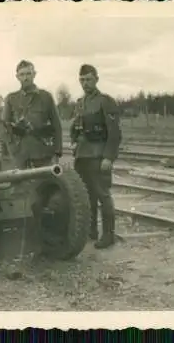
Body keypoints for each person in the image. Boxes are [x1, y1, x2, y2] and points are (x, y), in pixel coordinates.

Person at [70, 64, 122, 249]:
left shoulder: (105, 101)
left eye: (89, 79)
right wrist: (74, 141)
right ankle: (90, 231)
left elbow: (114, 133)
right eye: (82, 80)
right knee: (86, 195)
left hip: (99, 155)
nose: (85, 83)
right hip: (82, 156)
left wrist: (109, 157)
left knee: (102, 194)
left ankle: (108, 235)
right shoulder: (79, 103)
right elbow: (75, 127)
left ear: (96, 79)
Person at [0, 59, 63, 169]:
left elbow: (57, 125)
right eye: (22, 74)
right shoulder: (11, 99)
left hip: (42, 152)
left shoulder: (45, 97)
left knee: (43, 184)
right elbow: (4, 127)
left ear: (34, 75)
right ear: (17, 77)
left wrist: (57, 150)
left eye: (28, 74)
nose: (25, 78)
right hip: (20, 154)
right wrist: (11, 149)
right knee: (21, 185)